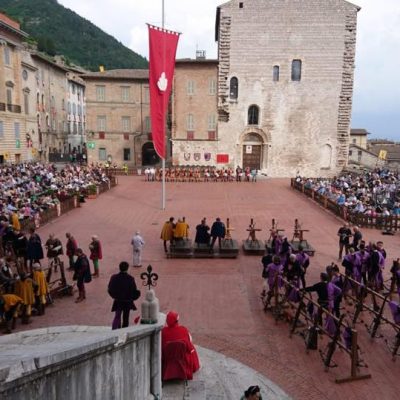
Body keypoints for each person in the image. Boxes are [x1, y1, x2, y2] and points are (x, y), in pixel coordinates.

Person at [161, 310, 200, 380]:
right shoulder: (183, 330)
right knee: (191, 347)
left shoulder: (163, 331)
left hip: (168, 358)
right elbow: (189, 348)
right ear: (177, 321)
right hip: (181, 358)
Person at [108, 261, 141, 329]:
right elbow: (133, 290)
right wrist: (136, 295)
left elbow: (110, 289)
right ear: (127, 268)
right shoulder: (130, 278)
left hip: (118, 301)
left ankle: (116, 330)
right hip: (127, 301)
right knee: (126, 318)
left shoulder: (114, 277)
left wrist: (114, 296)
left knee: (117, 316)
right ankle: (124, 331)